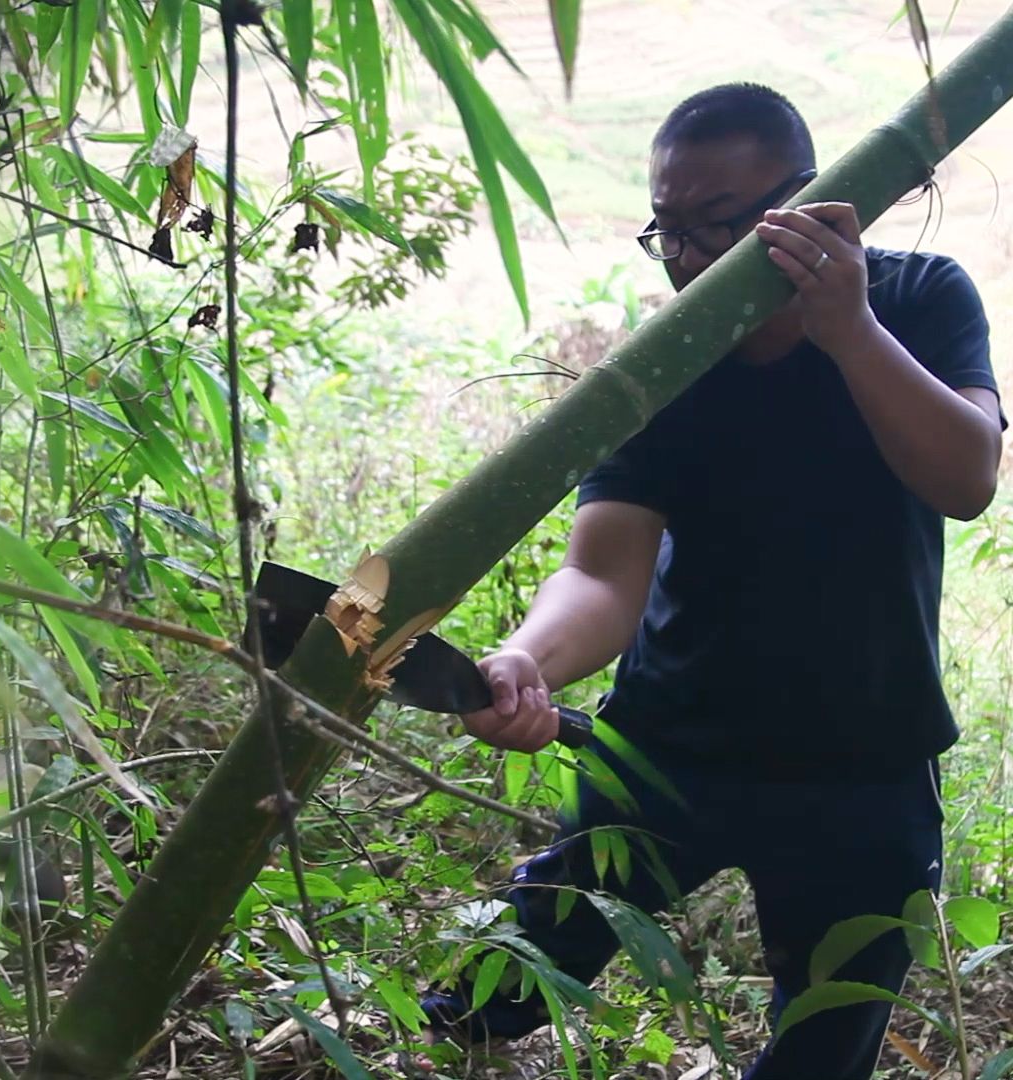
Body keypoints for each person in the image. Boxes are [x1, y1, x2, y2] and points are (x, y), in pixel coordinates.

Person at [420, 83, 1006, 1078]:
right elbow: (603, 574)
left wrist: (849, 329)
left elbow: (967, 477)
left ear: (810, 206)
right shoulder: (668, 363)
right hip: (666, 748)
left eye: (717, 228)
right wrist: (527, 659)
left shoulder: (917, 298)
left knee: (824, 1046)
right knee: (499, 982)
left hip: (864, 761)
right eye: (668, 230)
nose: (688, 260)